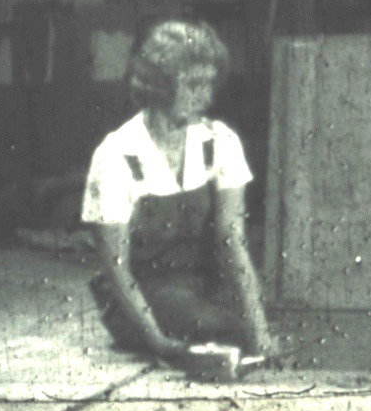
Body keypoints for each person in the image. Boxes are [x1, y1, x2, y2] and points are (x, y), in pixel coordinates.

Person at [81, 20, 276, 366]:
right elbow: (117, 269)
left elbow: (232, 241)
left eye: (209, 84)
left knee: (253, 317)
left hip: (200, 286)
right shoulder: (116, 155)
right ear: (159, 86)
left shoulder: (220, 141)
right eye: (193, 85)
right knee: (215, 326)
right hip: (141, 296)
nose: (206, 97)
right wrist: (158, 342)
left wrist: (259, 332)